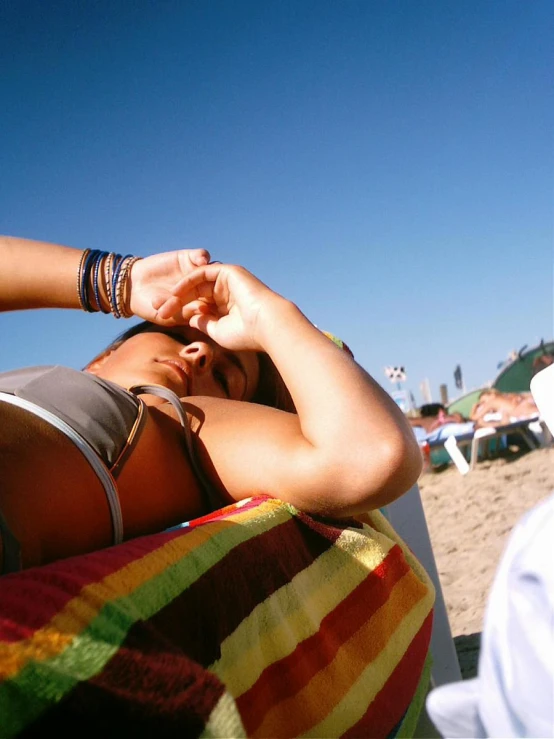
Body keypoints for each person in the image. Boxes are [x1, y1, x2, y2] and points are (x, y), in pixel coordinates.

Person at [0, 235, 422, 574]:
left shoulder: (184, 422)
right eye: (180, 335)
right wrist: (120, 283)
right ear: (101, 357)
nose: (200, 353)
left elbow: (370, 455)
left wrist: (267, 316)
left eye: (223, 376)